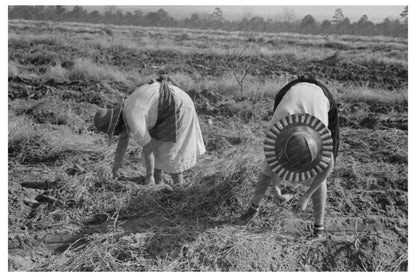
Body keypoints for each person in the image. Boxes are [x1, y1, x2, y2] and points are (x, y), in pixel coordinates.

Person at [239, 75, 339, 238]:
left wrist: (306, 196)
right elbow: (272, 161)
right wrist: (276, 189)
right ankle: (253, 208)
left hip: (322, 97)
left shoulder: (322, 137)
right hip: (289, 92)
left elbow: (328, 168)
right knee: (266, 168)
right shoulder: (276, 129)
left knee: (319, 175)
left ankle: (318, 226)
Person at [94, 75, 206, 186]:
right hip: (165, 109)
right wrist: (115, 170)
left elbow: (148, 149)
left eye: (115, 131)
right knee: (157, 147)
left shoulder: (133, 117)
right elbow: (123, 141)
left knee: (173, 153)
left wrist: (149, 176)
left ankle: (179, 188)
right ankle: (157, 183)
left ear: (117, 123)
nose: (117, 133)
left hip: (179, 106)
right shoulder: (127, 108)